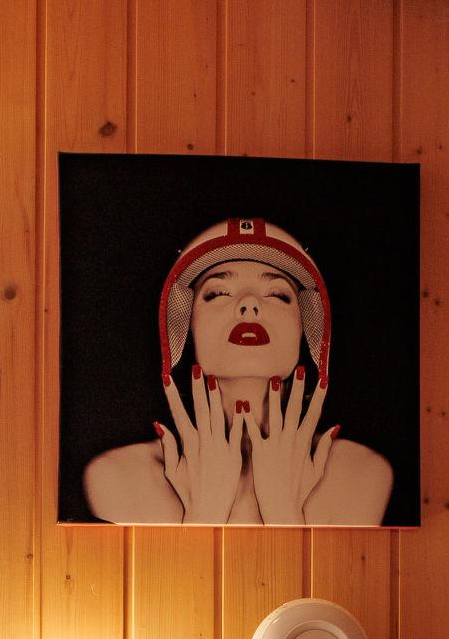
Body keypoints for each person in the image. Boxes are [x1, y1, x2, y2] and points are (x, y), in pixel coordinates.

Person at [82, 218, 393, 525]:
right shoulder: (118, 476)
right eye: (218, 293)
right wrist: (206, 511)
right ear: (186, 327)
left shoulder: (360, 474)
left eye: (277, 294)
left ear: (306, 330)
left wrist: (282, 510)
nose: (248, 304)